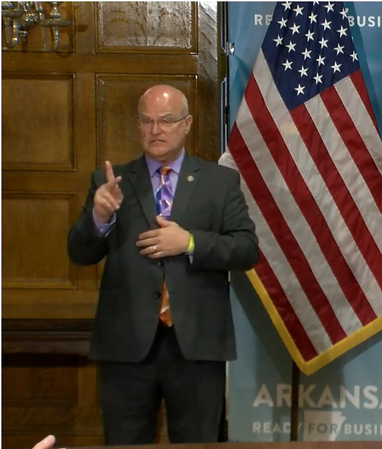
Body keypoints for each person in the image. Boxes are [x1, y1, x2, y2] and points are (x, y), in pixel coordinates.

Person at [67, 85, 259, 445]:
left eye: (166, 120)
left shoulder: (220, 181)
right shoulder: (109, 183)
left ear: (186, 124)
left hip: (197, 345)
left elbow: (246, 249)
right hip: (126, 346)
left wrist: (188, 242)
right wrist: (99, 215)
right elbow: (79, 254)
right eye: (147, 121)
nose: (156, 130)